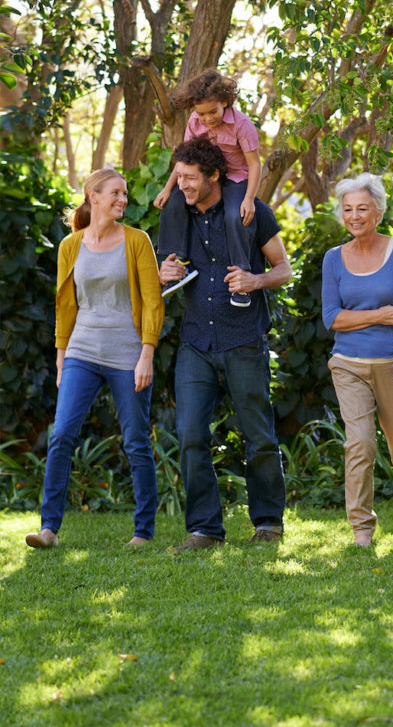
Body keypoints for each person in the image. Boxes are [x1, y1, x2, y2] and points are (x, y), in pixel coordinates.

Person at [158, 138, 291, 550]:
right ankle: (205, 530)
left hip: (243, 341)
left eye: (191, 178)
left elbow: (283, 269)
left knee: (259, 435)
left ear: (214, 175)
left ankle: (268, 524)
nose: (183, 185)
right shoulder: (178, 216)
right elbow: (168, 273)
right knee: (191, 433)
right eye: (179, 177)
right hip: (196, 342)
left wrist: (256, 279)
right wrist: (164, 271)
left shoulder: (251, 213)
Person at [25, 169, 164, 550]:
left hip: (128, 354)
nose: (123, 199)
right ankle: (49, 529)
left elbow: (153, 302)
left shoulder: (138, 241)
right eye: (116, 193)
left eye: (125, 193)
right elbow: (65, 305)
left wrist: (147, 353)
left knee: (136, 441)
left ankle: (142, 532)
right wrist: (60, 356)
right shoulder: (70, 246)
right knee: (61, 436)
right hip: (81, 352)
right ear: (94, 196)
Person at [321, 173, 393, 548]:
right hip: (348, 362)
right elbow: (332, 318)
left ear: (379, 211)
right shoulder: (333, 259)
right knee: (360, 443)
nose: (354, 216)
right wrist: (381, 314)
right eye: (348, 209)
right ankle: (361, 529)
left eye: (362, 208)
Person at [154, 68, 261, 306]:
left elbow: (254, 165)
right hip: (206, 177)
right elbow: (185, 158)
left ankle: (240, 278)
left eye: (212, 111)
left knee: (235, 215)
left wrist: (249, 198)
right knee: (173, 202)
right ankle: (179, 262)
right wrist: (167, 188)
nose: (207, 119)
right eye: (201, 114)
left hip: (234, 178)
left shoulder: (241, 124)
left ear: (225, 101)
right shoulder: (195, 121)